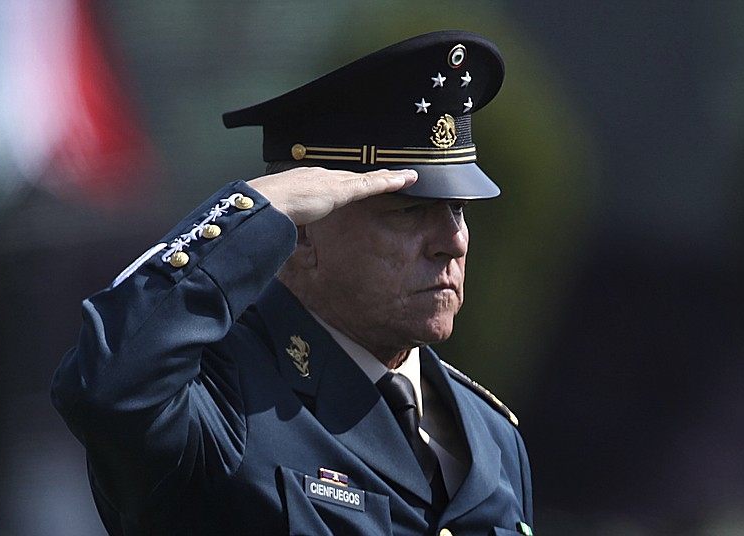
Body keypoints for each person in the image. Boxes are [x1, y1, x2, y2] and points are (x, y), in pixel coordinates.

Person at [52, 30, 534, 535]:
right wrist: (254, 213)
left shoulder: (493, 437)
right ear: (301, 233)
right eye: (410, 211)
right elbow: (107, 383)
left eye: (458, 210)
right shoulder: (219, 395)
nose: (452, 242)